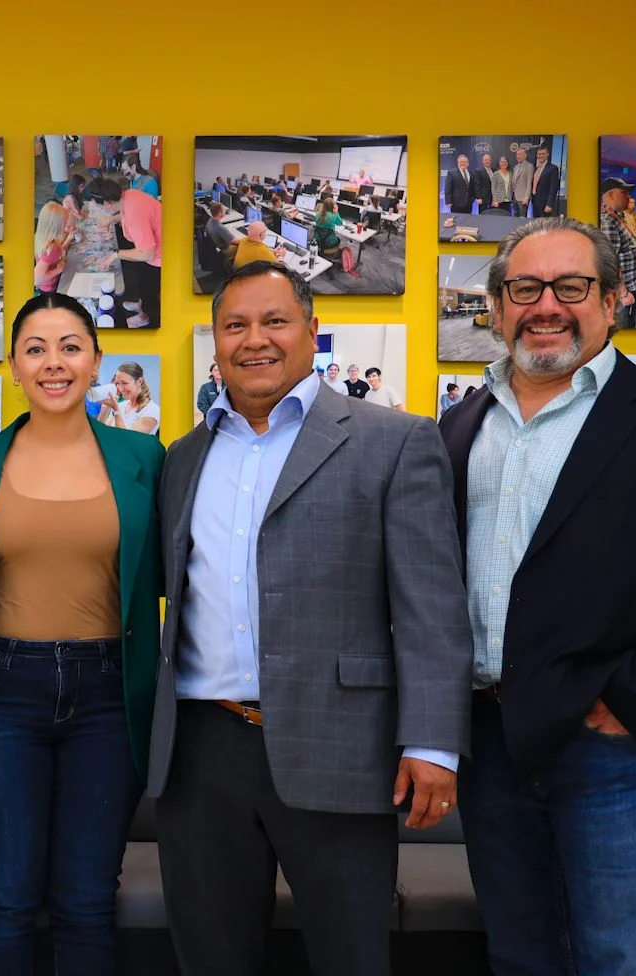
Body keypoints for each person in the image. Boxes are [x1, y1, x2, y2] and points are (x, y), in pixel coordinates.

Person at [438, 215, 636, 976]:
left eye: (571, 286)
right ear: (498, 305)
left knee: (628, 963)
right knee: (521, 957)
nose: (547, 305)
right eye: (524, 288)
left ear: (612, 301)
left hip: (611, 748)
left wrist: (632, 704)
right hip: (491, 744)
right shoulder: (456, 429)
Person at [151, 260, 470, 976]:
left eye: (274, 321)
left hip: (342, 744)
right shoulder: (184, 456)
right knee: (210, 959)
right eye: (235, 325)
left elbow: (432, 607)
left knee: (350, 959)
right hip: (202, 751)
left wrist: (434, 744)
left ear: (312, 332)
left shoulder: (395, 441)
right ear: (215, 340)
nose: (254, 340)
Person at [0, 290, 163, 975]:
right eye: (35, 349)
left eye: (70, 346)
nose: (54, 363)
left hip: (108, 695)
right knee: (5, 900)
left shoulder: (145, 460)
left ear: (97, 362)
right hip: (3, 694)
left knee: (87, 901)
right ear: (13, 366)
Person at [111, 180, 162, 328]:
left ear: (108, 204)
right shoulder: (128, 196)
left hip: (159, 257)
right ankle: (139, 303)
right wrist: (110, 219)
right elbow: (123, 214)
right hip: (156, 251)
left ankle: (145, 318)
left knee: (151, 292)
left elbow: (148, 254)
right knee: (144, 281)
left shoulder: (134, 215)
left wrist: (117, 254)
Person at [598, 177, 636, 329]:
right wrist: (624, 293)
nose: (630, 197)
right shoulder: (606, 221)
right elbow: (609, 262)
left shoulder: (615, 217)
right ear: (610, 195)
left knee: (630, 322)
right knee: (623, 329)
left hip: (629, 287)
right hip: (621, 294)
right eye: (624, 193)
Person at [96, 361, 161, 435]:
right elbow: (102, 434)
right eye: (118, 383)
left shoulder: (151, 410)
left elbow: (127, 441)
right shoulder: (121, 405)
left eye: (124, 383)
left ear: (139, 381)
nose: (120, 389)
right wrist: (104, 410)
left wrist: (117, 411)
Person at [33, 201, 70, 293]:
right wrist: (58, 270)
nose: (66, 225)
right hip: (51, 288)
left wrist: (68, 239)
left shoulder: (41, 237)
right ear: (57, 226)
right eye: (65, 222)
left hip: (45, 288)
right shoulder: (52, 248)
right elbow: (36, 279)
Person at [531, 145, 561, 217]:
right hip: (535, 201)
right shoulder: (536, 168)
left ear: (547, 154)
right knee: (536, 224)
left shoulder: (553, 168)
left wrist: (549, 204)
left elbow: (553, 188)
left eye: (543, 154)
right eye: (539, 154)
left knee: (544, 225)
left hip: (545, 204)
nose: (540, 156)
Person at [511, 147, 534, 219]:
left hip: (523, 198)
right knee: (515, 217)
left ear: (525, 155)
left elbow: (529, 184)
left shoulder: (529, 166)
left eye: (520, 154)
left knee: (522, 218)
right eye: (517, 154)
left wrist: (526, 198)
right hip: (514, 197)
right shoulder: (515, 167)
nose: (518, 156)